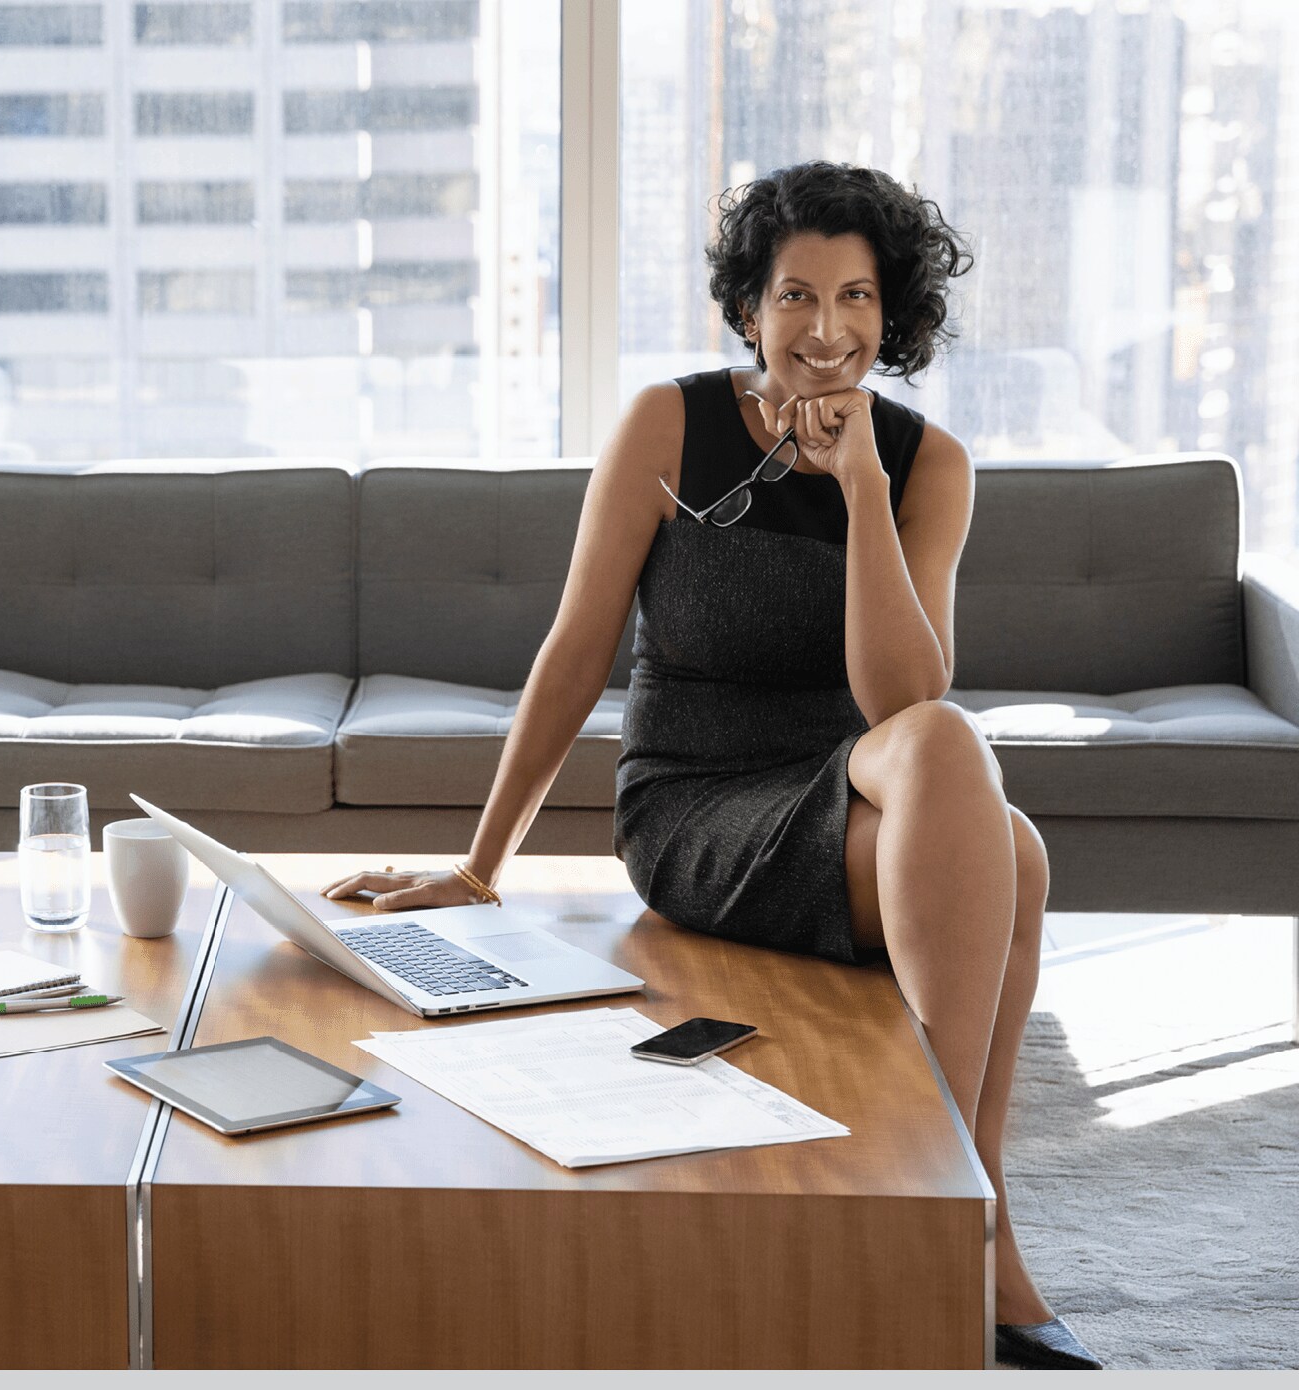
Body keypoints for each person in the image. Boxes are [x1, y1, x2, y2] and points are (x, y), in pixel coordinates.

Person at [322, 160, 1099, 1371]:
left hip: (846, 787)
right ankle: (948, 1205)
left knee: (983, 801)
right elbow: (578, 650)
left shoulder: (926, 466)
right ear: (750, 309)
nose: (826, 329)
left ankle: (961, 1193)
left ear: (891, 319)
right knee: (1003, 835)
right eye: (795, 295)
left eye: (856, 298)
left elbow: (902, 696)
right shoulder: (667, 425)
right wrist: (481, 869)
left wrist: (859, 490)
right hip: (695, 803)